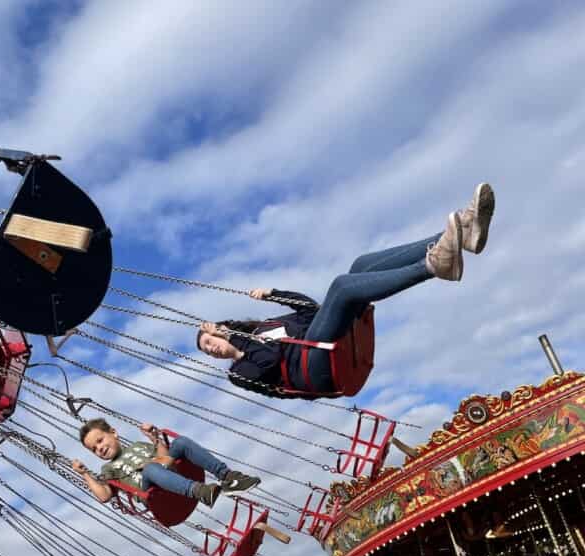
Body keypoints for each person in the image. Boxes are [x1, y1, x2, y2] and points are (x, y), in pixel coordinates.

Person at [196, 184, 495, 399]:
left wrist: (273, 293)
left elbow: (310, 311)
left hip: (320, 342)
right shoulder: (239, 371)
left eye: (209, 340)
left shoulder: (264, 327)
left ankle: (460, 234)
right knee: (341, 286)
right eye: (208, 349)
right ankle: (432, 266)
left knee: (360, 265)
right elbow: (270, 361)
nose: (211, 347)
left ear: (221, 328)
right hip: (314, 370)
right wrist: (233, 340)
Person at [72, 417, 259, 508]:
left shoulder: (137, 445)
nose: (100, 448)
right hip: (152, 495)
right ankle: (200, 491)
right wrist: (85, 474)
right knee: (150, 469)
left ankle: (230, 477)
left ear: (113, 433)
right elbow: (104, 495)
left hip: (169, 473)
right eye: (94, 449)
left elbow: (164, 458)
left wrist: (154, 439)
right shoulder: (108, 468)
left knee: (180, 443)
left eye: (100, 441)